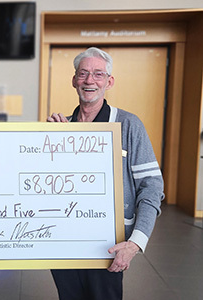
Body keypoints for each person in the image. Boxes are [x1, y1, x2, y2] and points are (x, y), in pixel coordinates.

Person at [47, 47, 164, 300]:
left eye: (98, 74)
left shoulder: (129, 125)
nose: (90, 81)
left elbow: (152, 185)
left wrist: (136, 242)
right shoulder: (61, 127)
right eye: (83, 74)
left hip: (107, 245)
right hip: (63, 240)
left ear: (109, 82)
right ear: (74, 80)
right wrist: (49, 144)